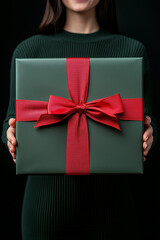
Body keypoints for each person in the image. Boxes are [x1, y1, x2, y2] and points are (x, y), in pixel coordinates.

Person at [1, 0, 158, 239]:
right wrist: (10, 135)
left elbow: (144, 117)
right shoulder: (29, 51)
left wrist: (149, 133)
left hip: (113, 210)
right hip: (44, 209)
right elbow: (12, 118)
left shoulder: (131, 51)